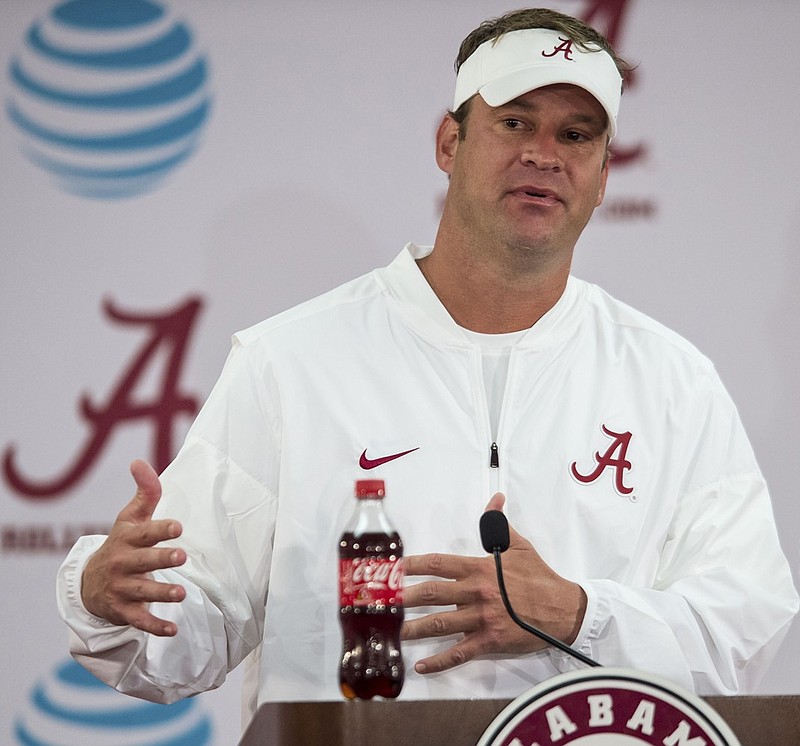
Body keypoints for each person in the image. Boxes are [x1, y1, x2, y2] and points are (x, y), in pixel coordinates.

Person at [57, 6, 798, 729]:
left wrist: (581, 614)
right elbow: (187, 630)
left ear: (603, 178)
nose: (544, 153)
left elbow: (744, 631)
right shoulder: (292, 361)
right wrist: (108, 598)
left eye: (576, 135)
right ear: (449, 141)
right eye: (515, 121)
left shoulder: (673, 381)